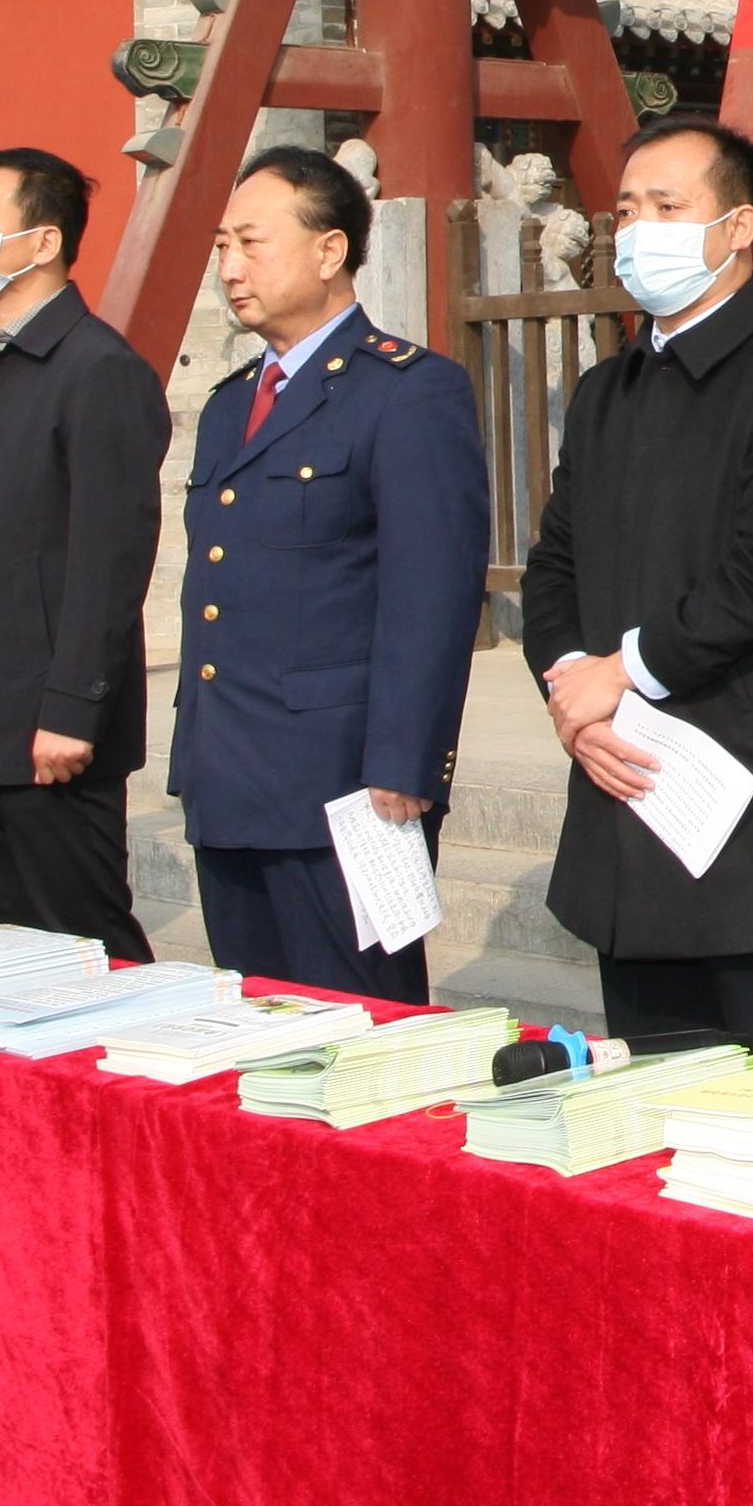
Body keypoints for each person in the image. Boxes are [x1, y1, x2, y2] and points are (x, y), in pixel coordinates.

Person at [521, 118, 753, 1064]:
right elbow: (554, 562)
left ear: (739, 227)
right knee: (654, 1118)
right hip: (624, 793)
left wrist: (622, 672)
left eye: (669, 208)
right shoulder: (608, 392)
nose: (639, 231)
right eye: (627, 210)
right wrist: (573, 687)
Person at [168, 146, 486, 999]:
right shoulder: (233, 401)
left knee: (358, 1024)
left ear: (329, 250)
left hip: (345, 784)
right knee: (257, 1023)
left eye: (252, 243)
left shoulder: (407, 392)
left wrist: (404, 761)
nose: (231, 268)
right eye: (222, 247)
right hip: (228, 768)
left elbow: (432, 594)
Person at [0, 147, 171, 958]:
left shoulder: (97, 368)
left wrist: (72, 707)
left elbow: (110, 557)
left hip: (45, 729)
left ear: (43, 241)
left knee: (82, 946)